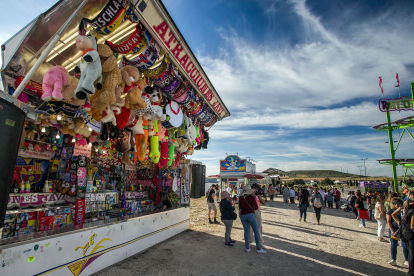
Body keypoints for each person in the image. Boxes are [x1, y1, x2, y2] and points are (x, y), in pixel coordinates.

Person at [239, 184, 266, 253]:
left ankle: (247, 248)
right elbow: (256, 207)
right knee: (256, 230)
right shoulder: (252, 197)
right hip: (251, 214)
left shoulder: (241, 197)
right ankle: (258, 248)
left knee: (246, 230)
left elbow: (240, 207)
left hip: (243, 215)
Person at [387, 198, 408, 266]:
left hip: (402, 229)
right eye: (394, 203)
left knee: (404, 245)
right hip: (394, 228)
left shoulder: (404, 210)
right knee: (393, 245)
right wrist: (392, 230)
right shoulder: (390, 211)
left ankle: (407, 260)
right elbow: (389, 222)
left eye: (398, 203)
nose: (396, 205)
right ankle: (393, 259)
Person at [401, 193, 414, 273]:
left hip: (404, 231)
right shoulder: (413, 210)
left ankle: (410, 270)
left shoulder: (406, 206)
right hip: (410, 233)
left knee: (411, 252)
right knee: (412, 253)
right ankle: (412, 271)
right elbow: (412, 226)